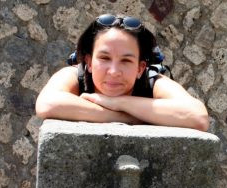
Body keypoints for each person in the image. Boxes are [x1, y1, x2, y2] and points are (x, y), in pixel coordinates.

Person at [35, 14, 209, 131]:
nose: (113, 71)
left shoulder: (153, 82)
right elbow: (48, 104)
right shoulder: (74, 76)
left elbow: (197, 116)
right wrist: (124, 117)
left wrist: (118, 102)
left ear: (140, 68)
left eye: (126, 61)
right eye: (104, 58)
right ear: (88, 62)